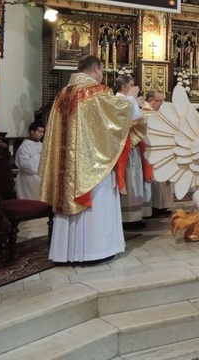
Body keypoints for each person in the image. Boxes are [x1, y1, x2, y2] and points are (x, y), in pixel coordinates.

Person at [40, 55, 142, 263]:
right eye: (102, 71)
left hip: (67, 165)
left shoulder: (62, 94)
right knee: (98, 202)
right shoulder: (95, 92)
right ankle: (94, 251)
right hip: (92, 163)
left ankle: (65, 252)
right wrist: (130, 98)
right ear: (95, 69)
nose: (102, 76)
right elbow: (118, 116)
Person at [115, 75, 151, 228]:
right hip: (124, 148)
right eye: (132, 85)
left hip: (132, 146)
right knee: (129, 181)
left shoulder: (126, 100)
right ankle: (127, 219)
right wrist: (133, 101)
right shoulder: (119, 100)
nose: (135, 88)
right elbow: (134, 117)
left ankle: (135, 216)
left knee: (135, 180)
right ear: (124, 87)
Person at [144, 89, 175, 217]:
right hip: (152, 149)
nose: (161, 103)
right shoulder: (145, 113)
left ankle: (163, 205)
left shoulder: (158, 112)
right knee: (155, 177)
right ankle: (155, 205)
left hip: (163, 147)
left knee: (164, 177)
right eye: (159, 101)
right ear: (150, 101)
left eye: (163, 100)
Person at [15, 122, 45, 200]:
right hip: (29, 177)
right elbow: (24, 165)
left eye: (43, 132)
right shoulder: (24, 146)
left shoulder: (42, 145)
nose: (42, 134)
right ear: (32, 132)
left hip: (41, 175)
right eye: (40, 131)